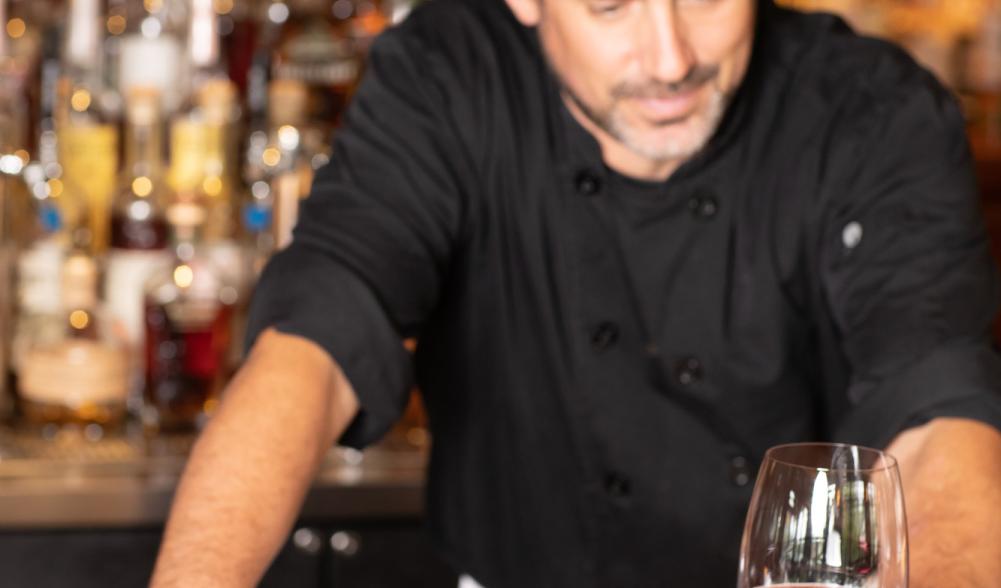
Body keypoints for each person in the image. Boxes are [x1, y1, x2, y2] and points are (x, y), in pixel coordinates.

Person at [150, 0, 1001, 586]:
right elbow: (316, 344)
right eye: (610, 8)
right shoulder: (451, 76)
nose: (670, 59)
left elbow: (937, 414)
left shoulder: (870, 112)